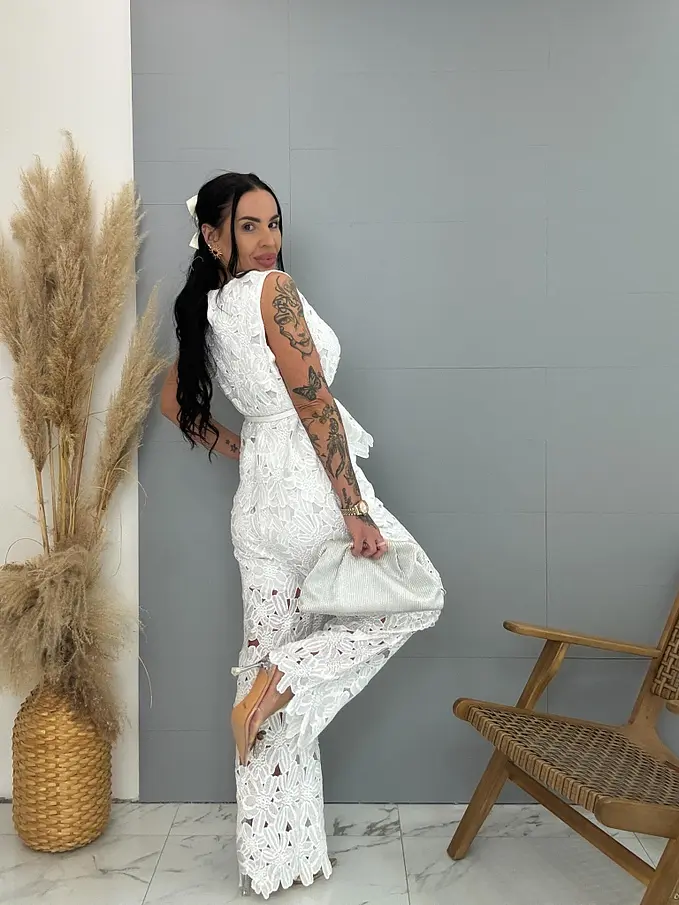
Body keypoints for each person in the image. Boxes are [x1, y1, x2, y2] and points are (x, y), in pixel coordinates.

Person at [159, 172, 443, 899]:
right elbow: (314, 402)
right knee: (414, 598)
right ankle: (280, 680)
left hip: (258, 508)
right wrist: (354, 507)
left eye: (274, 223)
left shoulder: (206, 309)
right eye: (249, 226)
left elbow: (174, 402)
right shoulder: (273, 290)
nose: (268, 240)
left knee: (257, 675)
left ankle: (275, 860)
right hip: (311, 495)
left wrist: (248, 450)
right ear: (212, 236)